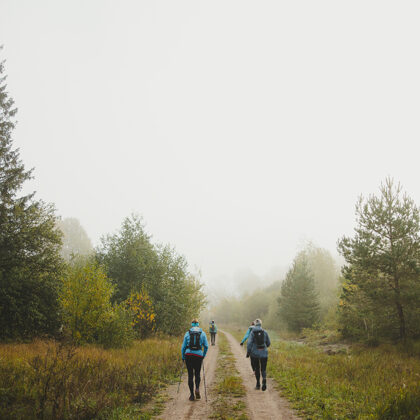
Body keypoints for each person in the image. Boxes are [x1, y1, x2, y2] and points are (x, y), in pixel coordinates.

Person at [181, 318, 209, 401]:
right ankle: (197, 388)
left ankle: (192, 395)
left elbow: (183, 347)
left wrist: (183, 357)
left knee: (190, 375)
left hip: (188, 355)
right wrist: (203, 355)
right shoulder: (202, 333)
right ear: (198, 324)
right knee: (197, 374)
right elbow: (206, 346)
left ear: (191, 324)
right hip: (198, 355)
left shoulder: (187, 333)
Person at [247, 318, 270, 391]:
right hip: (264, 354)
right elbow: (268, 343)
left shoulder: (252, 333)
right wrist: (264, 347)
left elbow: (249, 343)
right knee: (263, 369)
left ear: (255, 324)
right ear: (261, 324)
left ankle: (258, 384)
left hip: (255, 354)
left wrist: (248, 352)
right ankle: (264, 379)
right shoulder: (265, 332)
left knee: (257, 369)